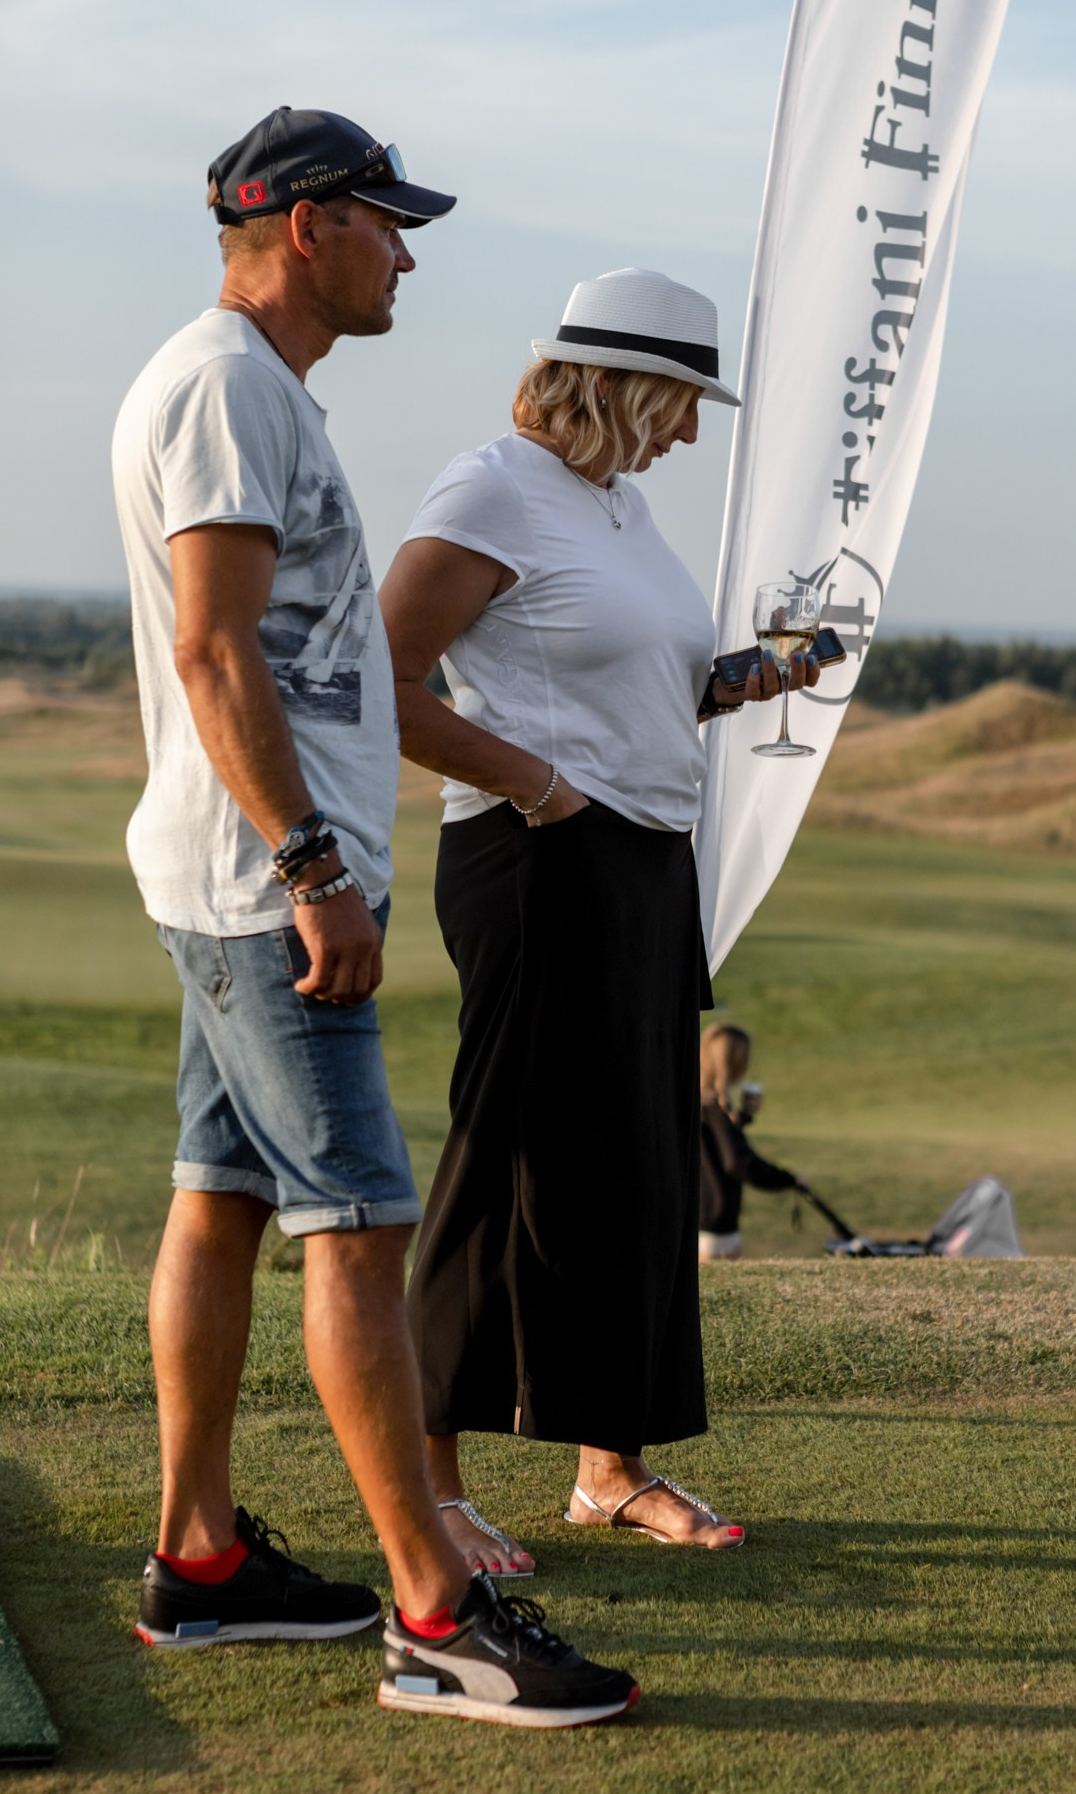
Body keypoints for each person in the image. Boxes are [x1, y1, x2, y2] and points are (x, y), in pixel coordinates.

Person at [111, 106, 637, 1729]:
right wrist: (313, 870)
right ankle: (436, 1616)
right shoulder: (220, 385)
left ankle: (200, 1561)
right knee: (360, 1218)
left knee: (226, 1198)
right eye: (387, 223)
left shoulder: (260, 391)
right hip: (265, 891)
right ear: (307, 224)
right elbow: (217, 652)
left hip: (246, 879)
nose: (407, 254)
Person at [379, 267, 822, 1573]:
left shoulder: (618, 510)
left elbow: (635, 688)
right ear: (623, 387)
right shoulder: (489, 488)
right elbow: (379, 679)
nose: (690, 434)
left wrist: (751, 677)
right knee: (506, 1159)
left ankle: (608, 1469)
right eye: (683, 403)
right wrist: (537, 784)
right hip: (536, 860)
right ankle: (435, 1486)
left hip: (639, 865)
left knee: (635, 1168)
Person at [699, 1024, 798, 1261]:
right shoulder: (714, 1109)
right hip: (716, 1221)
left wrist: (742, 1118)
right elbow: (735, 1161)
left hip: (700, 1215)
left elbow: (715, 1145)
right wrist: (787, 1179)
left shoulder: (701, 1104)